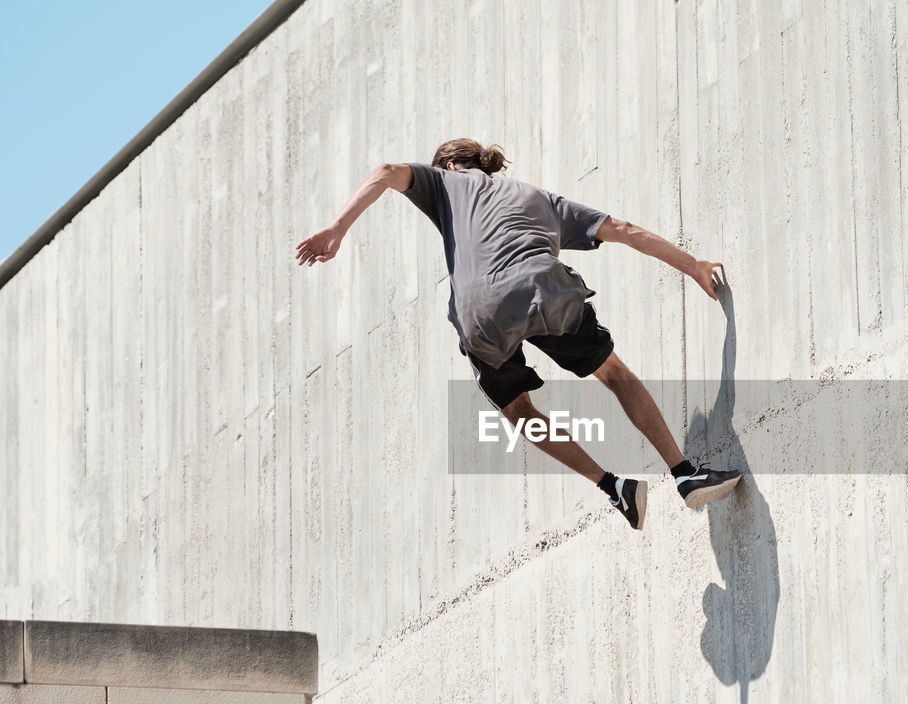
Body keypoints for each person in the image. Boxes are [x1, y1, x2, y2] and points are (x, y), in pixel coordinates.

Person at [294, 138, 740, 529]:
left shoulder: (445, 184)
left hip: (480, 319)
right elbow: (624, 231)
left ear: (449, 165)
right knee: (613, 373)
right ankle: (684, 473)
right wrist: (693, 265)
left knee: (519, 411)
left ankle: (613, 486)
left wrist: (338, 228)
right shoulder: (540, 198)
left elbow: (387, 172)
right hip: (545, 291)